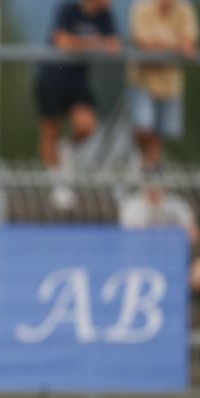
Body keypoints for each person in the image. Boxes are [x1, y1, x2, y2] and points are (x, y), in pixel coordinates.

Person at [35, 0, 119, 209]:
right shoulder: (68, 10)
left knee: (87, 125)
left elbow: (115, 46)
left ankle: (67, 150)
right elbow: (61, 41)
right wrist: (94, 43)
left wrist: (82, 44)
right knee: (50, 130)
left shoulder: (105, 16)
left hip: (78, 78)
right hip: (53, 75)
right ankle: (57, 184)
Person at [130, 0, 198, 171]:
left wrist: (159, 46)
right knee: (143, 126)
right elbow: (142, 43)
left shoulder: (184, 9)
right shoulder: (142, 7)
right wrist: (174, 46)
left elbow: (189, 44)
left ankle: (150, 176)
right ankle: (143, 163)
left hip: (171, 82)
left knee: (160, 133)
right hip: (143, 80)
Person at [120, 179, 200, 291]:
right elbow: (131, 239)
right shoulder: (133, 206)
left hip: (177, 257)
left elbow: (194, 235)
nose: (155, 190)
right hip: (144, 258)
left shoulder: (177, 205)